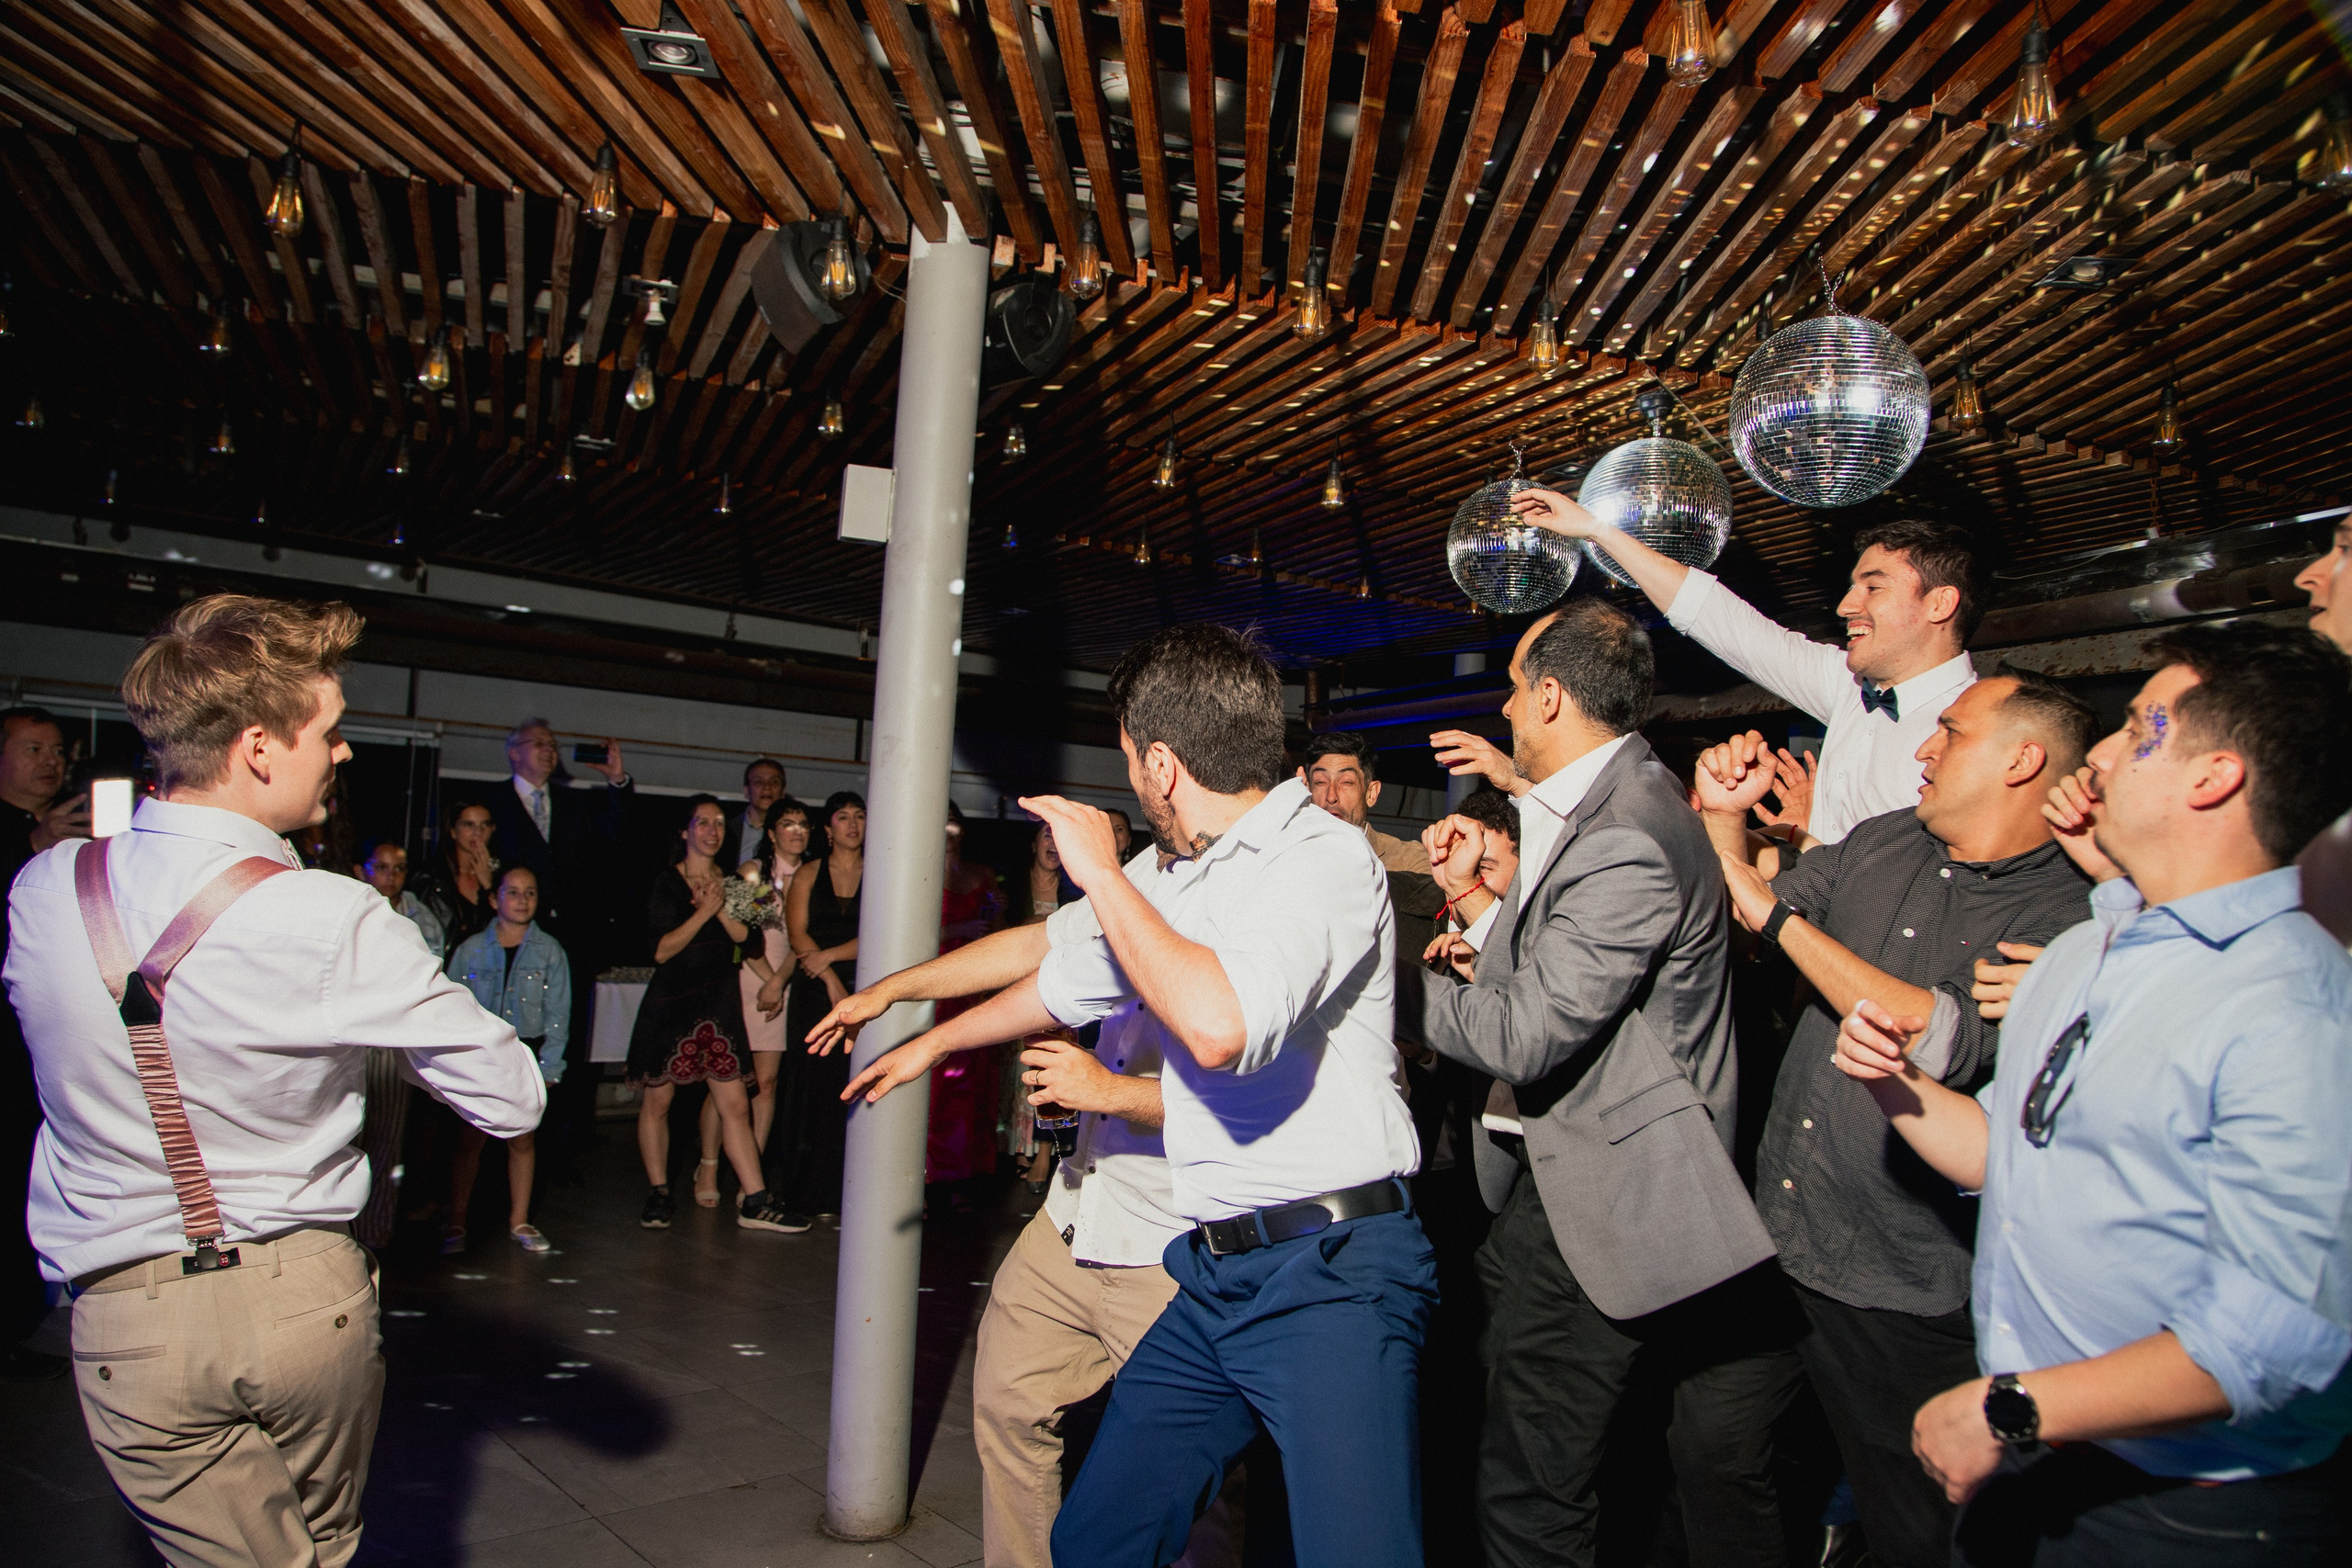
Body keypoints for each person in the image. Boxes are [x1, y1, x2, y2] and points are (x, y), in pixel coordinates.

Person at [839, 624, 1430, 1568]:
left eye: (1126, 761)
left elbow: (1217, 1027)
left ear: (1162, 764)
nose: (1127, 785)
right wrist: (924, 1032)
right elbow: (1058, 973)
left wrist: (1103, 874)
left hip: (1331, 1269)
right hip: (1214, 1270)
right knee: (1097, 1537)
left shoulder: (1320, 857)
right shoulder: (1180, 874)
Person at [6, 592, 544, 1565]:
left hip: (124, 1319)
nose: (342, 753)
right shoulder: (332, 918)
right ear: (259, 746)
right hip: (305, 1302)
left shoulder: (45, 888)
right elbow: (511, 1097)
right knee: (323, 1547)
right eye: (328, 732)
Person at [1836, 622, 2352, 1565]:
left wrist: (2015, 1407)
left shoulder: (2297, 1005)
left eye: (2143, 726)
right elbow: (2007, 1153)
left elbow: (2280, 1334)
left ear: (2213, 777)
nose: (2104, 750)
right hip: (2041, 1458)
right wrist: (1894, 1083)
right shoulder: (2085, 950)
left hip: (2192, 1510)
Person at [1395, 597, 1790, 1568]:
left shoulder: (1628, 833)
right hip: (1553, 1181)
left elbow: (1527, 1031)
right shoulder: (1605, 806)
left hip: (1604, 1204)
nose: (1505, 710)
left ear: (1552, 697)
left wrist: (1371, 985)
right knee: (1503, 1434)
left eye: (1515, 689)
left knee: (1532, 1489)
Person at [1699, 672, 2100, 1568]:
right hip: (1779, 1237)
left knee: (1914, 1520)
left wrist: (1782, 922)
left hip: (1903, 1282)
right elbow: (1741, 934)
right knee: (1712, 1450)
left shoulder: (2067, 915)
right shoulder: (1883, 842)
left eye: (1949, 732)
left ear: (2021, 759)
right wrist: (1723, 826)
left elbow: (1938, 1035)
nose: (1923, 748)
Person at [804, 880, 1238, 1568]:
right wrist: (896, 993)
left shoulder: (1263, 904)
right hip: (1074, 1214)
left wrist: (1110, 1092)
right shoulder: (1152, 875)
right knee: (1009, 1408)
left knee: (1191, 1478)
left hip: (1172, 1248)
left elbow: (1256, 1099)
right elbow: (1034, 946)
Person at [1502, 491, 1981, 844]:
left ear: (1940, 603)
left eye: (1873, 588)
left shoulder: (1989, 730)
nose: (1845, 606)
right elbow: (1724, 621)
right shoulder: (1848, 684)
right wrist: (1597, 531)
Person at [626, 795, 805, 1234]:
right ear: (686, 832)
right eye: (702, 823)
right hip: (672, 1003)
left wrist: (721, 907)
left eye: (719, 823)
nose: (711, 830)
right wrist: (702, 911)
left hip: (718, 1004)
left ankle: (755, 1200)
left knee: (735, 1104)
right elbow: (661, 949)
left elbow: (753, 942)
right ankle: (659, 1192)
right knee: (659, 1099)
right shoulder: (667, 882)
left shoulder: (737, 882)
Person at [0, 705, 87, 1380]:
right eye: (34, 748)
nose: (50, 762)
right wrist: (30, 847)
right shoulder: (27, 837)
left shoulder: (68, 833)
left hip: (47, 1043)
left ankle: (29, 1317)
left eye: (57, 750)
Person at [443, 865, 571, 1255]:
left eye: (529, 893)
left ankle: (519, 1219)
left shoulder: (550, 952)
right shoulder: (471, 950)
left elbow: (558, 1014)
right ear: (494, 898)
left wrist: (550, 1067)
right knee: (470, 1141)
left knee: (523, 1139)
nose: (521, 900)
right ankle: (456, 1220)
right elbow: (451, 1009)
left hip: (524, 1056)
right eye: (512, 892)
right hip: (480, 1058)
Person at [705, 796, 808, 1188]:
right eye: (787, 824)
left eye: (803, 824)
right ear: (771, 832)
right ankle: (710, 1167)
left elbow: (802, 940)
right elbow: (740, 935)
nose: (796, 831)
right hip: (747, 978)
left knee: (767, 1083)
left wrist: (779, 982)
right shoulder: (751, 872)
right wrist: (768, 980)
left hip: (785, 979)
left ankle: (753, 1179)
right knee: (725, 1080)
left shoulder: (813, 875)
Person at [776, 790, 864, 1218]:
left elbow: (882, 935)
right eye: (843, 817)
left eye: (859, 816)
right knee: (809, 1089)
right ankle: (804, 1193)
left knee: (851, 1089)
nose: (853, 825)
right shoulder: (809, 873)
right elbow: (798, 936)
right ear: (828, 830)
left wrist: (830, 958)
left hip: (863, 987)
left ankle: (845, 1195)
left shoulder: (880, 873)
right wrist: (829, 978)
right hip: (815, 990)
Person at [929, 803, 1004, 1203]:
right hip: (939, 984)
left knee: (971, 1086)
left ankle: (964, 1175)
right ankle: (931, 1175)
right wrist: (958, 927)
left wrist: (995, 919)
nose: (949, 829)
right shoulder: (921, 873)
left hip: (974, 982)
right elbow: (911, 934)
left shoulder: (982, 873)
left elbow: (996, 927)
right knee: (939, 1085)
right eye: (943, 821)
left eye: (954, 821)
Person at [413, 797, 499, 949]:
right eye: (468, 825)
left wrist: (489, 885)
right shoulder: (431, 877)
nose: (478, 832)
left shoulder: (504, 875)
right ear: (453, 831)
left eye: (485, 824)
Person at [360, 839, 446, 959]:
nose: (391, 876)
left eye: (399, 868)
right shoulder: (352, 912)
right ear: (361, 871)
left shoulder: (422, 919)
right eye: (382, 867)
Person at [727, 757, 788, 870]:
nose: (767, 787)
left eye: (774, 782)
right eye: (758, 782)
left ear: (783, 792)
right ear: (746, 791)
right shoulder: (728, 830)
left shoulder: (793, 832)